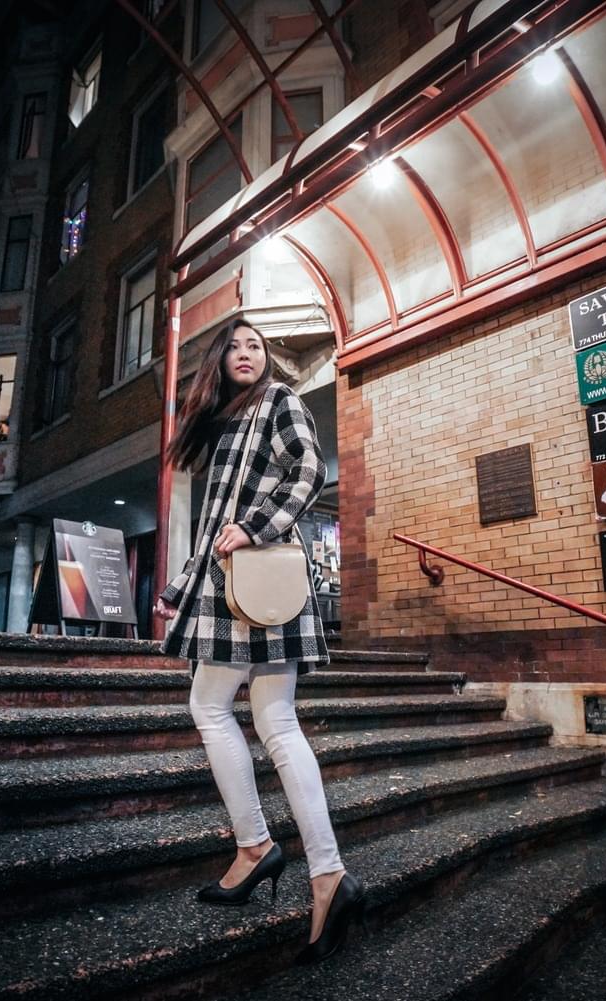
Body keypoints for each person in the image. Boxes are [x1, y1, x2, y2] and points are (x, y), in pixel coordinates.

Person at [153, 317, 363, 965]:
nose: (247, 353)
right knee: (274, 719)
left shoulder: (278, 400)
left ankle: (258, 848)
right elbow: (218, 524)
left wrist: (256, 525)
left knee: (213, 706)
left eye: (256, 346)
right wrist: (183, 584)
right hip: (242, 582)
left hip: (259, 580)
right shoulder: (230, 421)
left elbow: (310, 471)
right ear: (219, 360)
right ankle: (323, 871)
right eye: (236, 346)